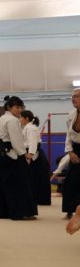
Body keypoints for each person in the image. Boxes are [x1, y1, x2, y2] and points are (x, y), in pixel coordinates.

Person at [0, 96, 37, 220]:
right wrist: (24, 154)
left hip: (1, 154)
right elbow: (16, 140)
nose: (19, 110)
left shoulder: (1, 119)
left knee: (3, 184)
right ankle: (19, 212)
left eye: (21, 108)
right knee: (20, 184)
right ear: (8, 107)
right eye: (17, 107)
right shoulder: (12, 120)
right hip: (12, 156)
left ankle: (2, 212)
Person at [20, 110, 51, 205]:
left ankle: (41, 199)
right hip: (32, 153)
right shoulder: (28, 127)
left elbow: (33, 142)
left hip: (34, 154)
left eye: (21, 117)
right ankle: (35, 198)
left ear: (26, 118)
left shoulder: (30, 128)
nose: (20, 119)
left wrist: (30, 154)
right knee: (34, 177)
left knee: (37, 177)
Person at [62, 89, 80, 218]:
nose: (73, 99)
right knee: (71, 181)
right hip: (75, 150)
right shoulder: (71, 115)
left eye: (77, 96)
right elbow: (68, 135)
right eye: (72, 96)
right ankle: (70, 210)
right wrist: (70, 151)